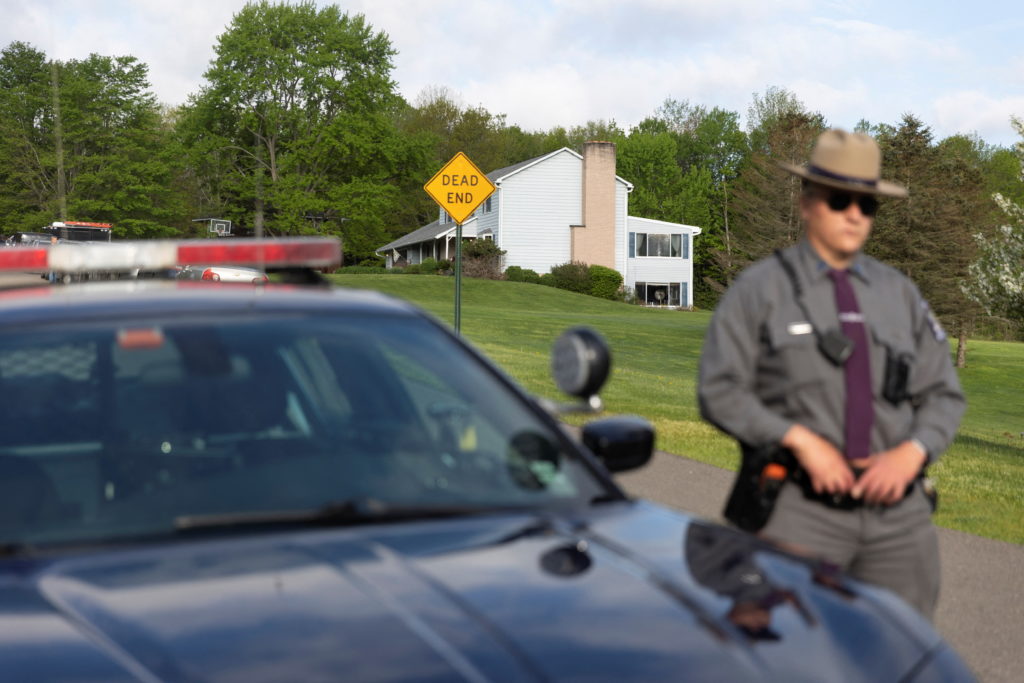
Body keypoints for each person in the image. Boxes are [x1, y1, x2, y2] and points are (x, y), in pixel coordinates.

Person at [697, 129, 965, 619]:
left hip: (897, 520)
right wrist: (799, 439)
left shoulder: (899, 294)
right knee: (782, 655)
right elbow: (718, 390)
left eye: (868, 204)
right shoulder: (760, 290)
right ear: (807, 202)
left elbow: (944, 395)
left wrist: (913, 452)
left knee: (901, 655)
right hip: (799, 510)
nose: (855, 215)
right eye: (841, 200)